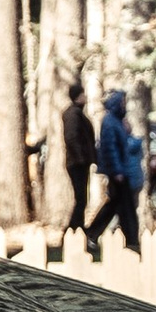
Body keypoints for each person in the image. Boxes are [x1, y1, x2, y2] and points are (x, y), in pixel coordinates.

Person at [87, 86, 143, 253]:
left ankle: (94, 235)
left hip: (121, 170)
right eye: (122, 102)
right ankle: (131, 240)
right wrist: (117, 171)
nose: (124, 105)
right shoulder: (110, 122)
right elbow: (110, 149)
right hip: (118, 173)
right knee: (123, 207)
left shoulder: (116, 122)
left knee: (117, 206)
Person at [60, 78, 96, 233]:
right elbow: (72, 138)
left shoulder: (77, 113)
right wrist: (81, 158)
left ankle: (77, 228)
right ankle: (73, 229)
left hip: (79, 161)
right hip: (76, 163)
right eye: (83, 95)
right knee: (81, 198)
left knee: (82, 198)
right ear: (77, 96)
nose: (86, 98)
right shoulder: (73, 115)